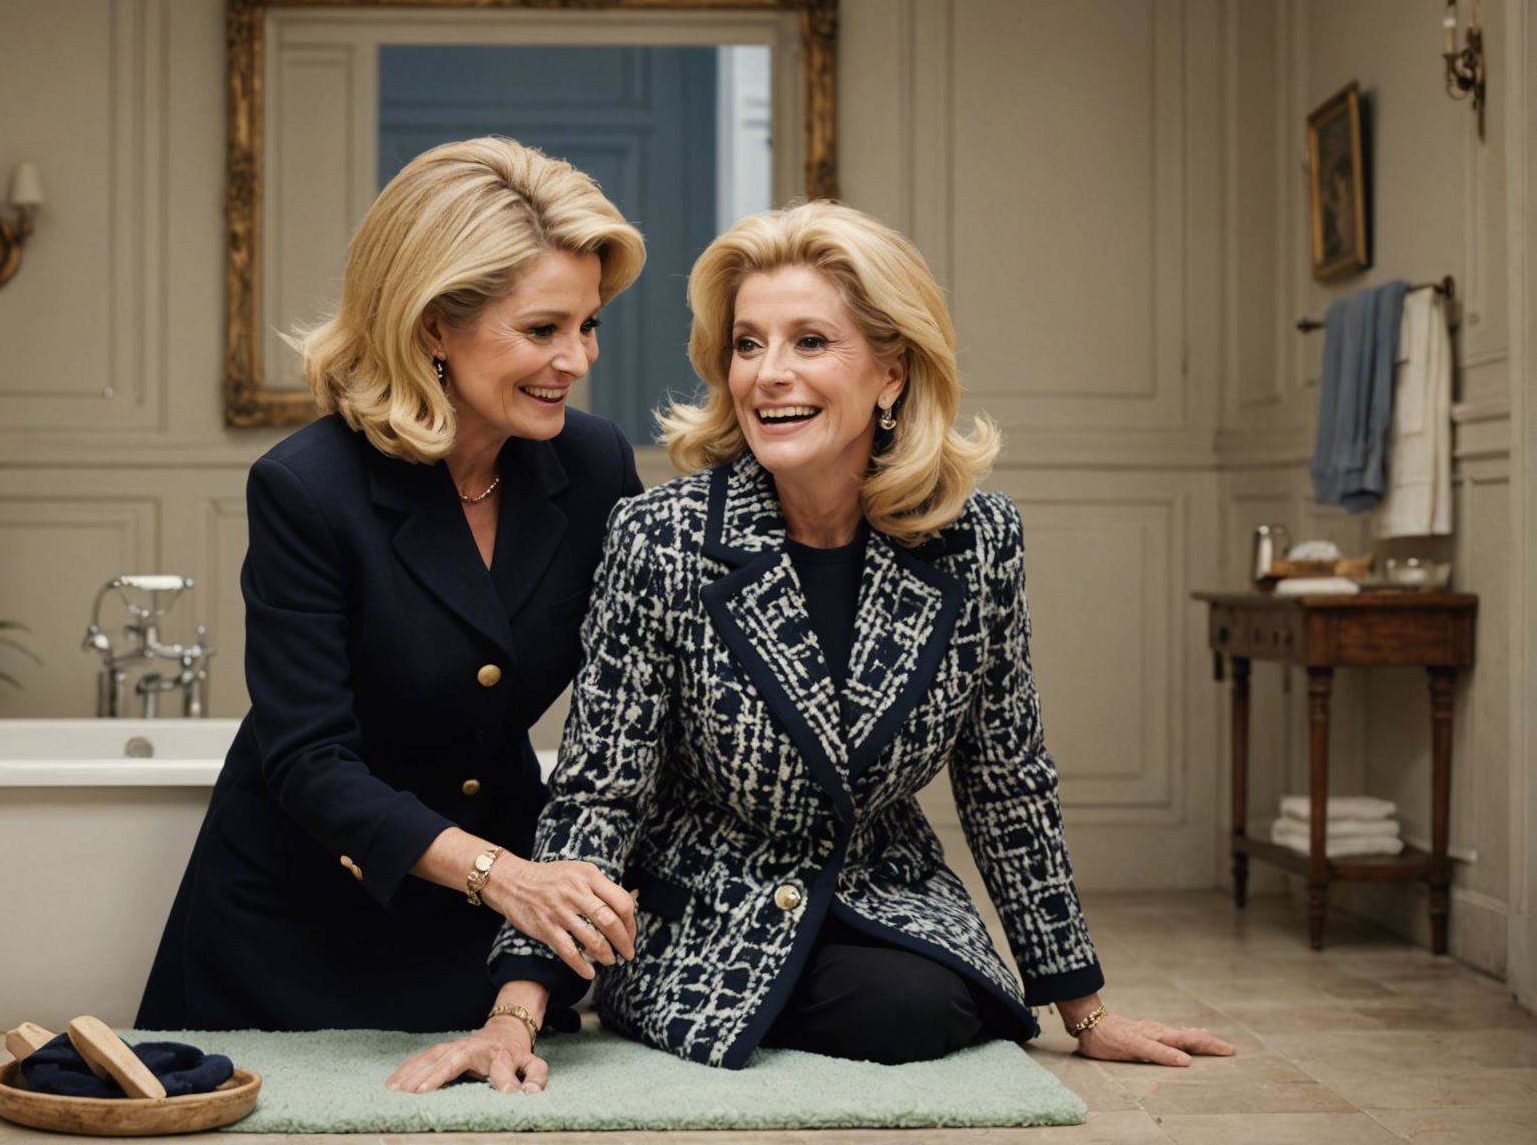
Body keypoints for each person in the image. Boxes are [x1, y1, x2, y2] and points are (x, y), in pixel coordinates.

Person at [389, 200, 1233, 1092]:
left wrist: (1085, 1010)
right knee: (904, 1010)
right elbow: (601, 788)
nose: (768, 376)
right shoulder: (659, 536)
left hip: (886, 898)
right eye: (748, 345)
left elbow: (1007, 780)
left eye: (809, 343)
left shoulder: (977, 541)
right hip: (698, 908)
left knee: (927, 1006)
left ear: (893, 371)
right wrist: (516, 1012)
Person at [136, 138, 648, 1055]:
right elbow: (309, 762)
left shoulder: (596, 463)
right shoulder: (306, 487)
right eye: (543, 329)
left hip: (481, 937)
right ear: (428, 328)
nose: (578, 359)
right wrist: (507, 880)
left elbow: (626, 717)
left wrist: (527, 924)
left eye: (590, 324)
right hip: (293, 926)